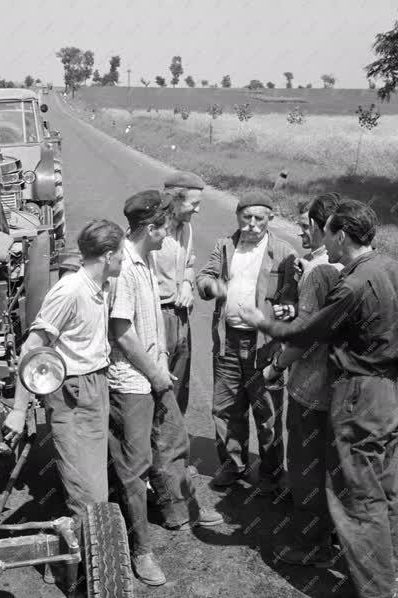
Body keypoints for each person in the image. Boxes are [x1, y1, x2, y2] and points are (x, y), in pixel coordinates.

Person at [239, 199, 398, 598]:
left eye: (327, 234)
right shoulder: (389, 267)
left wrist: (261, 320)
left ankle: (379, 591)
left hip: (361, 392)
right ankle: (393, 576)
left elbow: (305, 334)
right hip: (389, 390)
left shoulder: (352, 284)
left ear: (341, 235)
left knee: (356, 499)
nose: (322, 244)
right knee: (381, 491)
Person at [108, 190, 223, 587]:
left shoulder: (141, 260)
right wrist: (155, 373)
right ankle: (140, 549)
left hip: (151, 375)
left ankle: (181, 507)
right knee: (134, 468)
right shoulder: (125, 267)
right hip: (132, 382)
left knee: (174, 439)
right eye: (162, 229)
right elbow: (120, 331)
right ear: (150, 228)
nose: (166, 236)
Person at [4, 219, 125, 522]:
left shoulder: (102, 286)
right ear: (109, 256)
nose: (124, 259)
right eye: (121, 253)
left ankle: (91, 547)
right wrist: (19, 411)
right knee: (87, 493)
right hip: (73, 391)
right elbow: (32, 348)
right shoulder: (70, 291)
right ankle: (88, 562)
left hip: (95, 383)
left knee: (95, 479)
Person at [196, 190, 297, 493]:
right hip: (229, 340)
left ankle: (272, 471)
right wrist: (210, 286)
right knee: (227, 408)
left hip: (263, 344)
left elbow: (293, 295)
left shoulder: (283, 251)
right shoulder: (225, 245)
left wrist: (287, 307)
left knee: (267, 412)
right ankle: (233, 465)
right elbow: (205, 276)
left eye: (259, 219)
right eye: (246, 217)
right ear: (238, 216)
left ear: (270, 219)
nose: (252, 225)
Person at [263, 193, 343, 567]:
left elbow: (304, 337)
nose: (301, 232)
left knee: (306, 469)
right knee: (333, 470)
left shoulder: (316, 272)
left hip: (310, 389)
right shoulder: (348, 268)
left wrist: (276, 366)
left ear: (321, 226)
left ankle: (313, 546)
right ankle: (333, 537)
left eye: (306, 225)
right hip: (340, 391)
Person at [154, 171, 205, 476]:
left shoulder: (186, 227)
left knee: (180, 388)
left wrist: (187, 283)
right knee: (159, 389)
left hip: (181, 316)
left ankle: (176, 460)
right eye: (193, 204)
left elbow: (189, 263)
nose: (197, 210)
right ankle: (158, 467)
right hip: (158, 315)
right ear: (175, 199)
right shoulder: (150, 231)